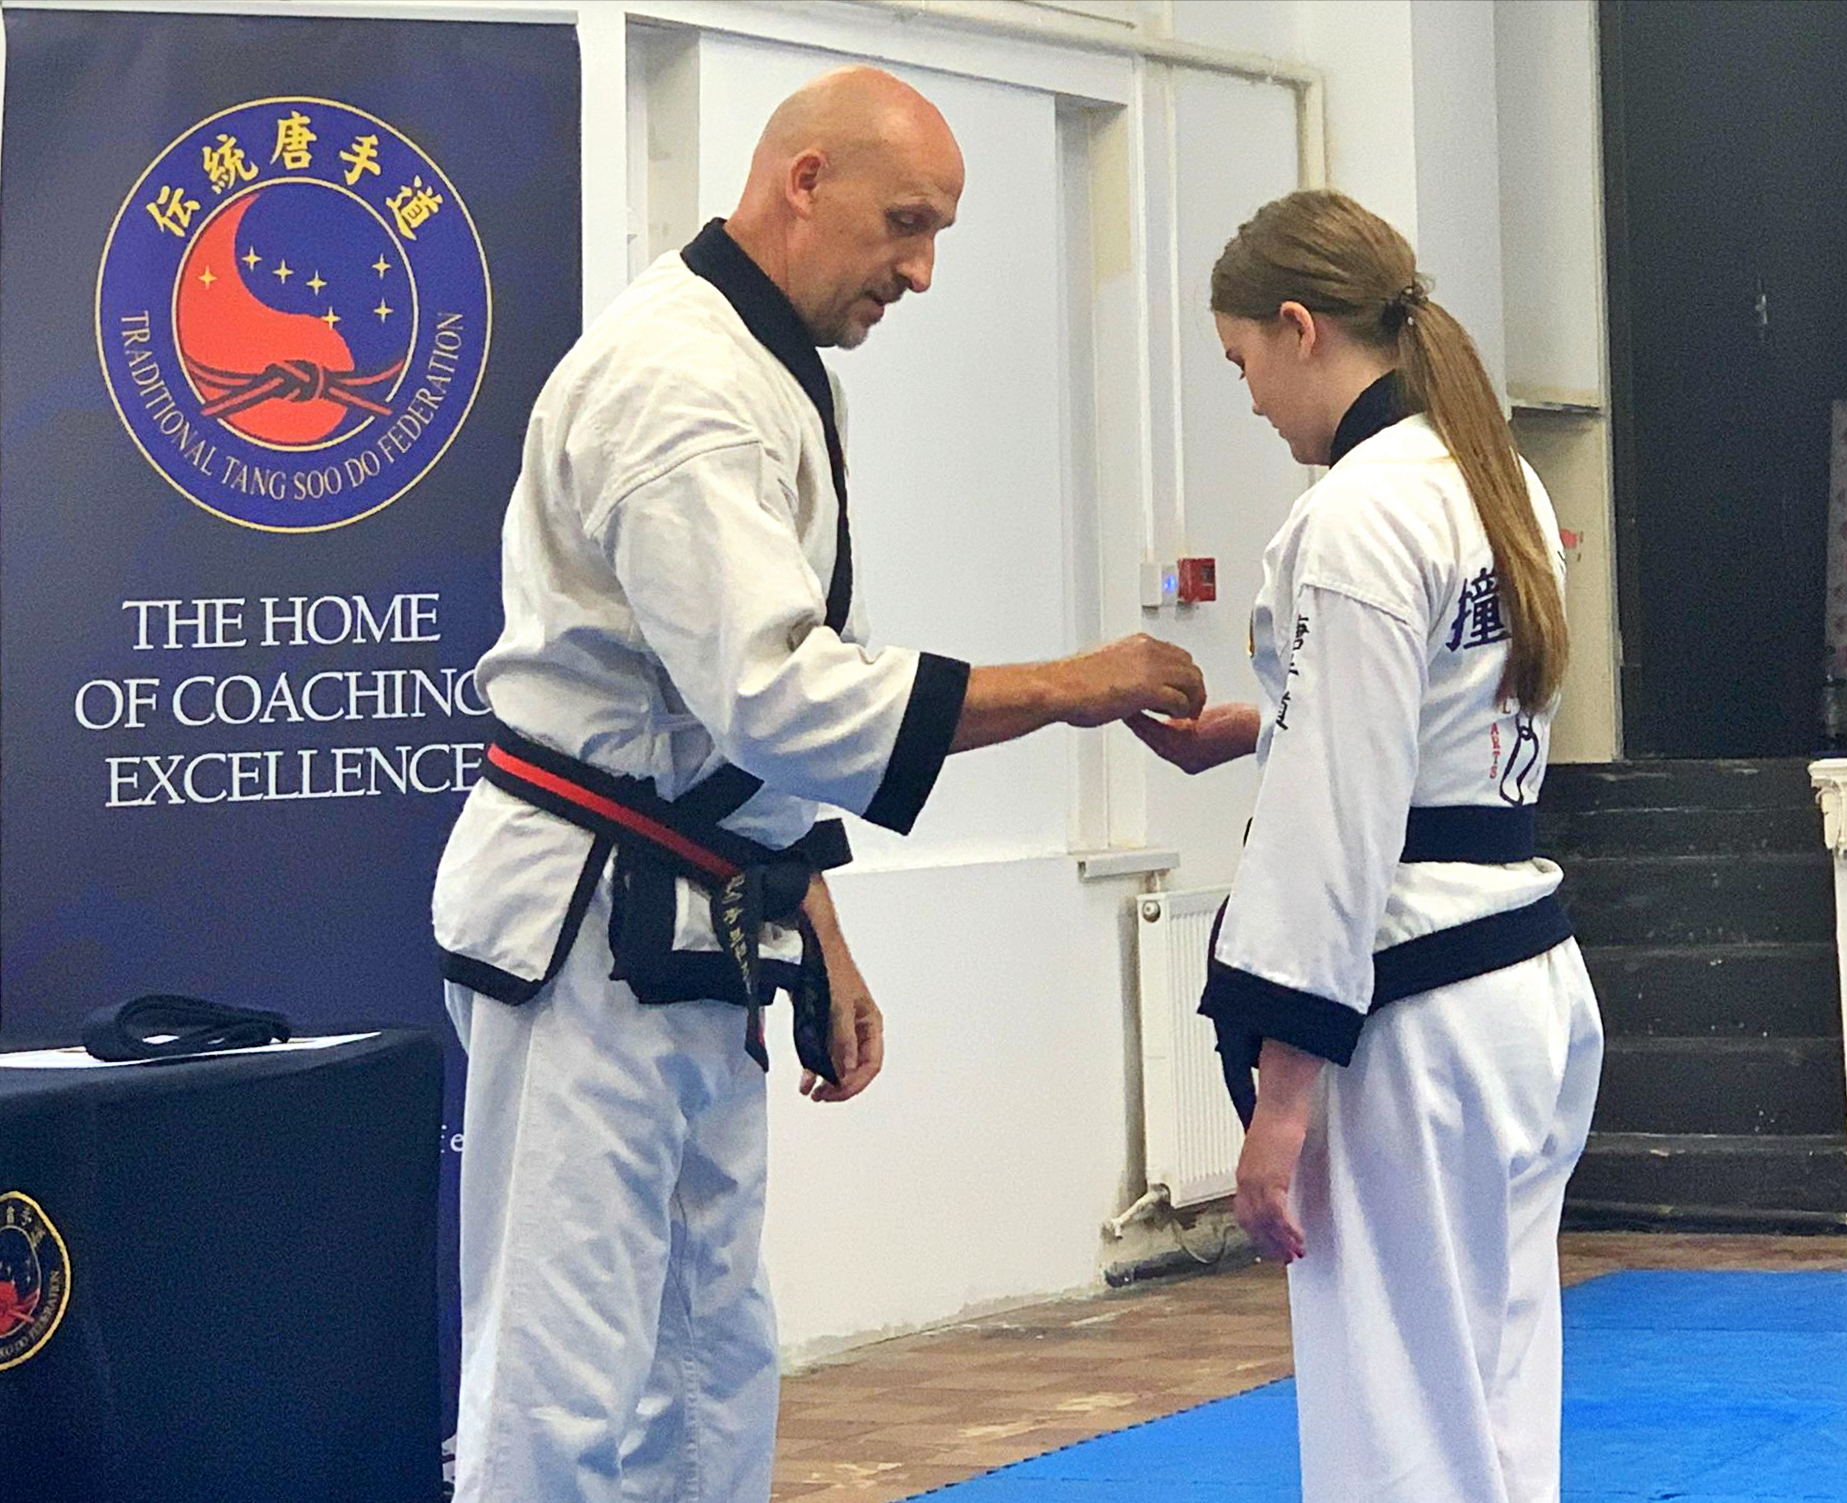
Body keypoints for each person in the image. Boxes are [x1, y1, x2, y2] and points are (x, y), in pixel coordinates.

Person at [432, 66, 1205, 1503]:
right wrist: (1066, 687)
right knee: (565, 1359)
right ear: (803, 182)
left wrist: (819, 926)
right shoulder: (680, 387)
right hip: (588, 930)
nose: (919, 269)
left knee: (709, 1345)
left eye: (941, 233)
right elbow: (778, 696)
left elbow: (754, 706)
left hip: (700, 908)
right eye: (905, 222)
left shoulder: (769, 359)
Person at [1126, 189, 1604, 1503]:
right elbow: (1435, 735)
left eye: (1240, 364)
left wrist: (1281, 1103)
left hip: (1413, 1016)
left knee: (1393, 1424)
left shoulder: (1351, 516)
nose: (1252, 401)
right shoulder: (1490, 477)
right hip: (1523, 982)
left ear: (1297, 328)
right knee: (1496, 1403)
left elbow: (1329, 829)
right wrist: (1265, 731)